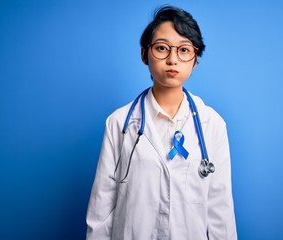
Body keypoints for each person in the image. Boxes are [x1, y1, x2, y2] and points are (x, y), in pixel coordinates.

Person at [86, 5, 237, 240]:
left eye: (184, 50)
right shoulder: (119, 124)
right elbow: (101, 210)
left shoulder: (213, 124)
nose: (172, 59)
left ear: (195, 59)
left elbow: (221, 211)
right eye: (162, 48)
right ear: (144, 54)